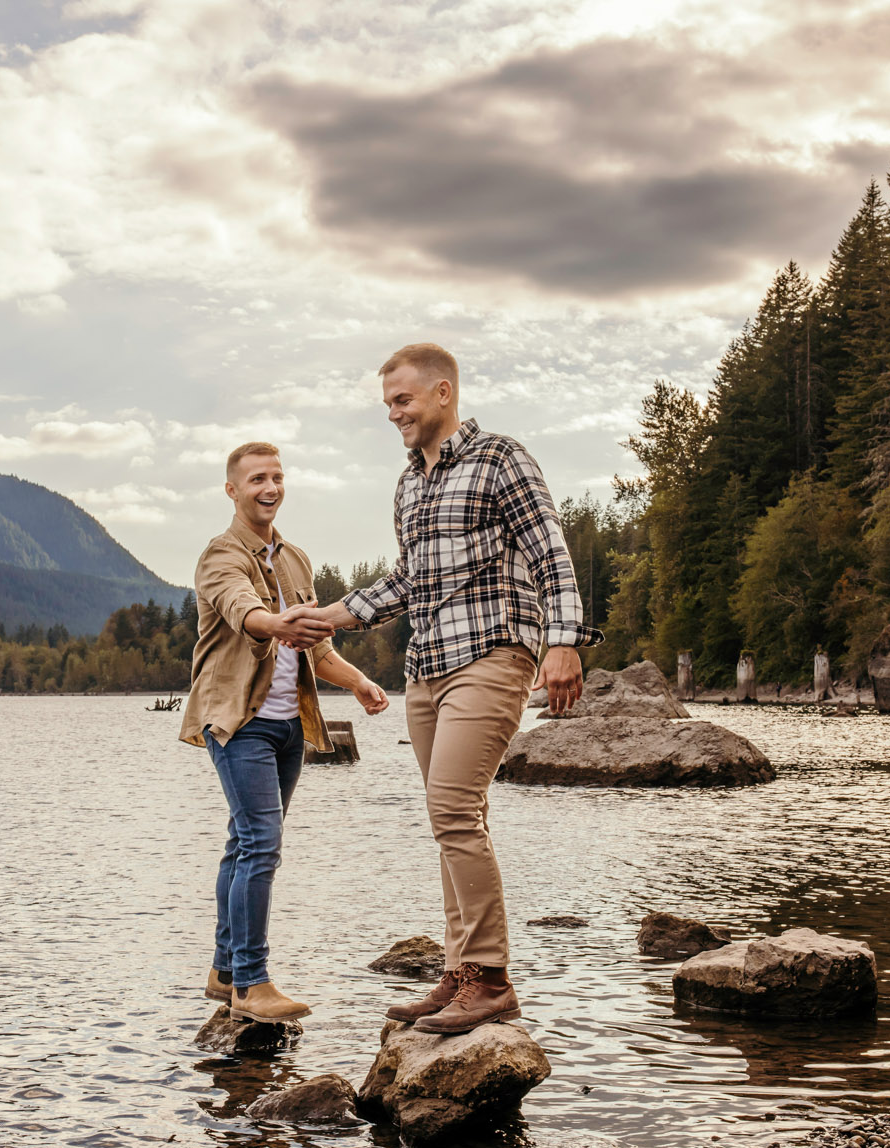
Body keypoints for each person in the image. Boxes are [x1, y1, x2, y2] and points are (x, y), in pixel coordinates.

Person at [311, 343, 599, 1033]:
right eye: (387, 405)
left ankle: (493, 981)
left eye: (402, 401)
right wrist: (329, 617)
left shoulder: (501, 458)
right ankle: (460, 973)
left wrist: (563, 640)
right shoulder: (409, 483)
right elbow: (406, 581)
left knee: (452, 810)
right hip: (427, 668)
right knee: (454, 823)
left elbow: (550, 552)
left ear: (443, 394)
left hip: (494, 654)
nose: (394, 415)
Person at [180, 441, 390, 1023]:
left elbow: (316, 645)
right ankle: (252, 983)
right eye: (255, 480)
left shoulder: (295, 559)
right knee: (261, 846)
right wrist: (276, 623)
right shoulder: (220, 555)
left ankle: (224, 973)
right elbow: (242, 609)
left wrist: (359, 682)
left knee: (244, 844)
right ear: (232, 490)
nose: (268, 488)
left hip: (290, 728)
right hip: (239, 723)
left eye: (276, 477)